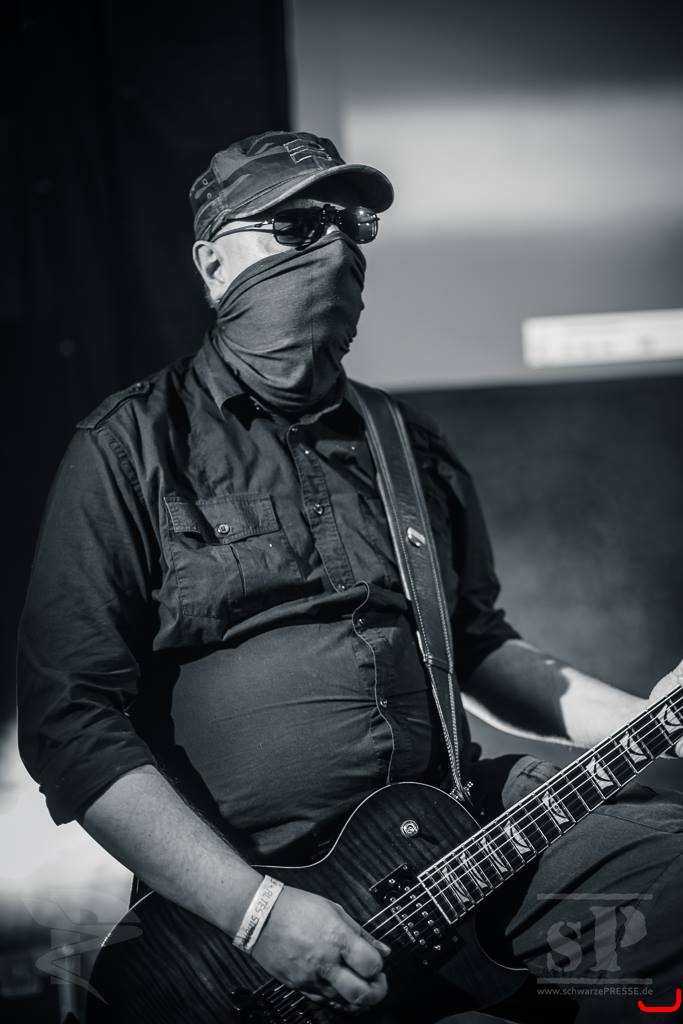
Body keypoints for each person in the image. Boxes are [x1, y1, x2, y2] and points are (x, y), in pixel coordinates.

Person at [17, 130, 683, 1022]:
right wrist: (255, 912)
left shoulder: (409, 447)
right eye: (295, 227)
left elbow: (480, 647)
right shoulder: (127, 448)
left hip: (460, 841)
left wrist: (655, 719)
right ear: (213, 265)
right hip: (245, 912)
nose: (331, 249)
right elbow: (70, 724)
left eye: (350, 226)